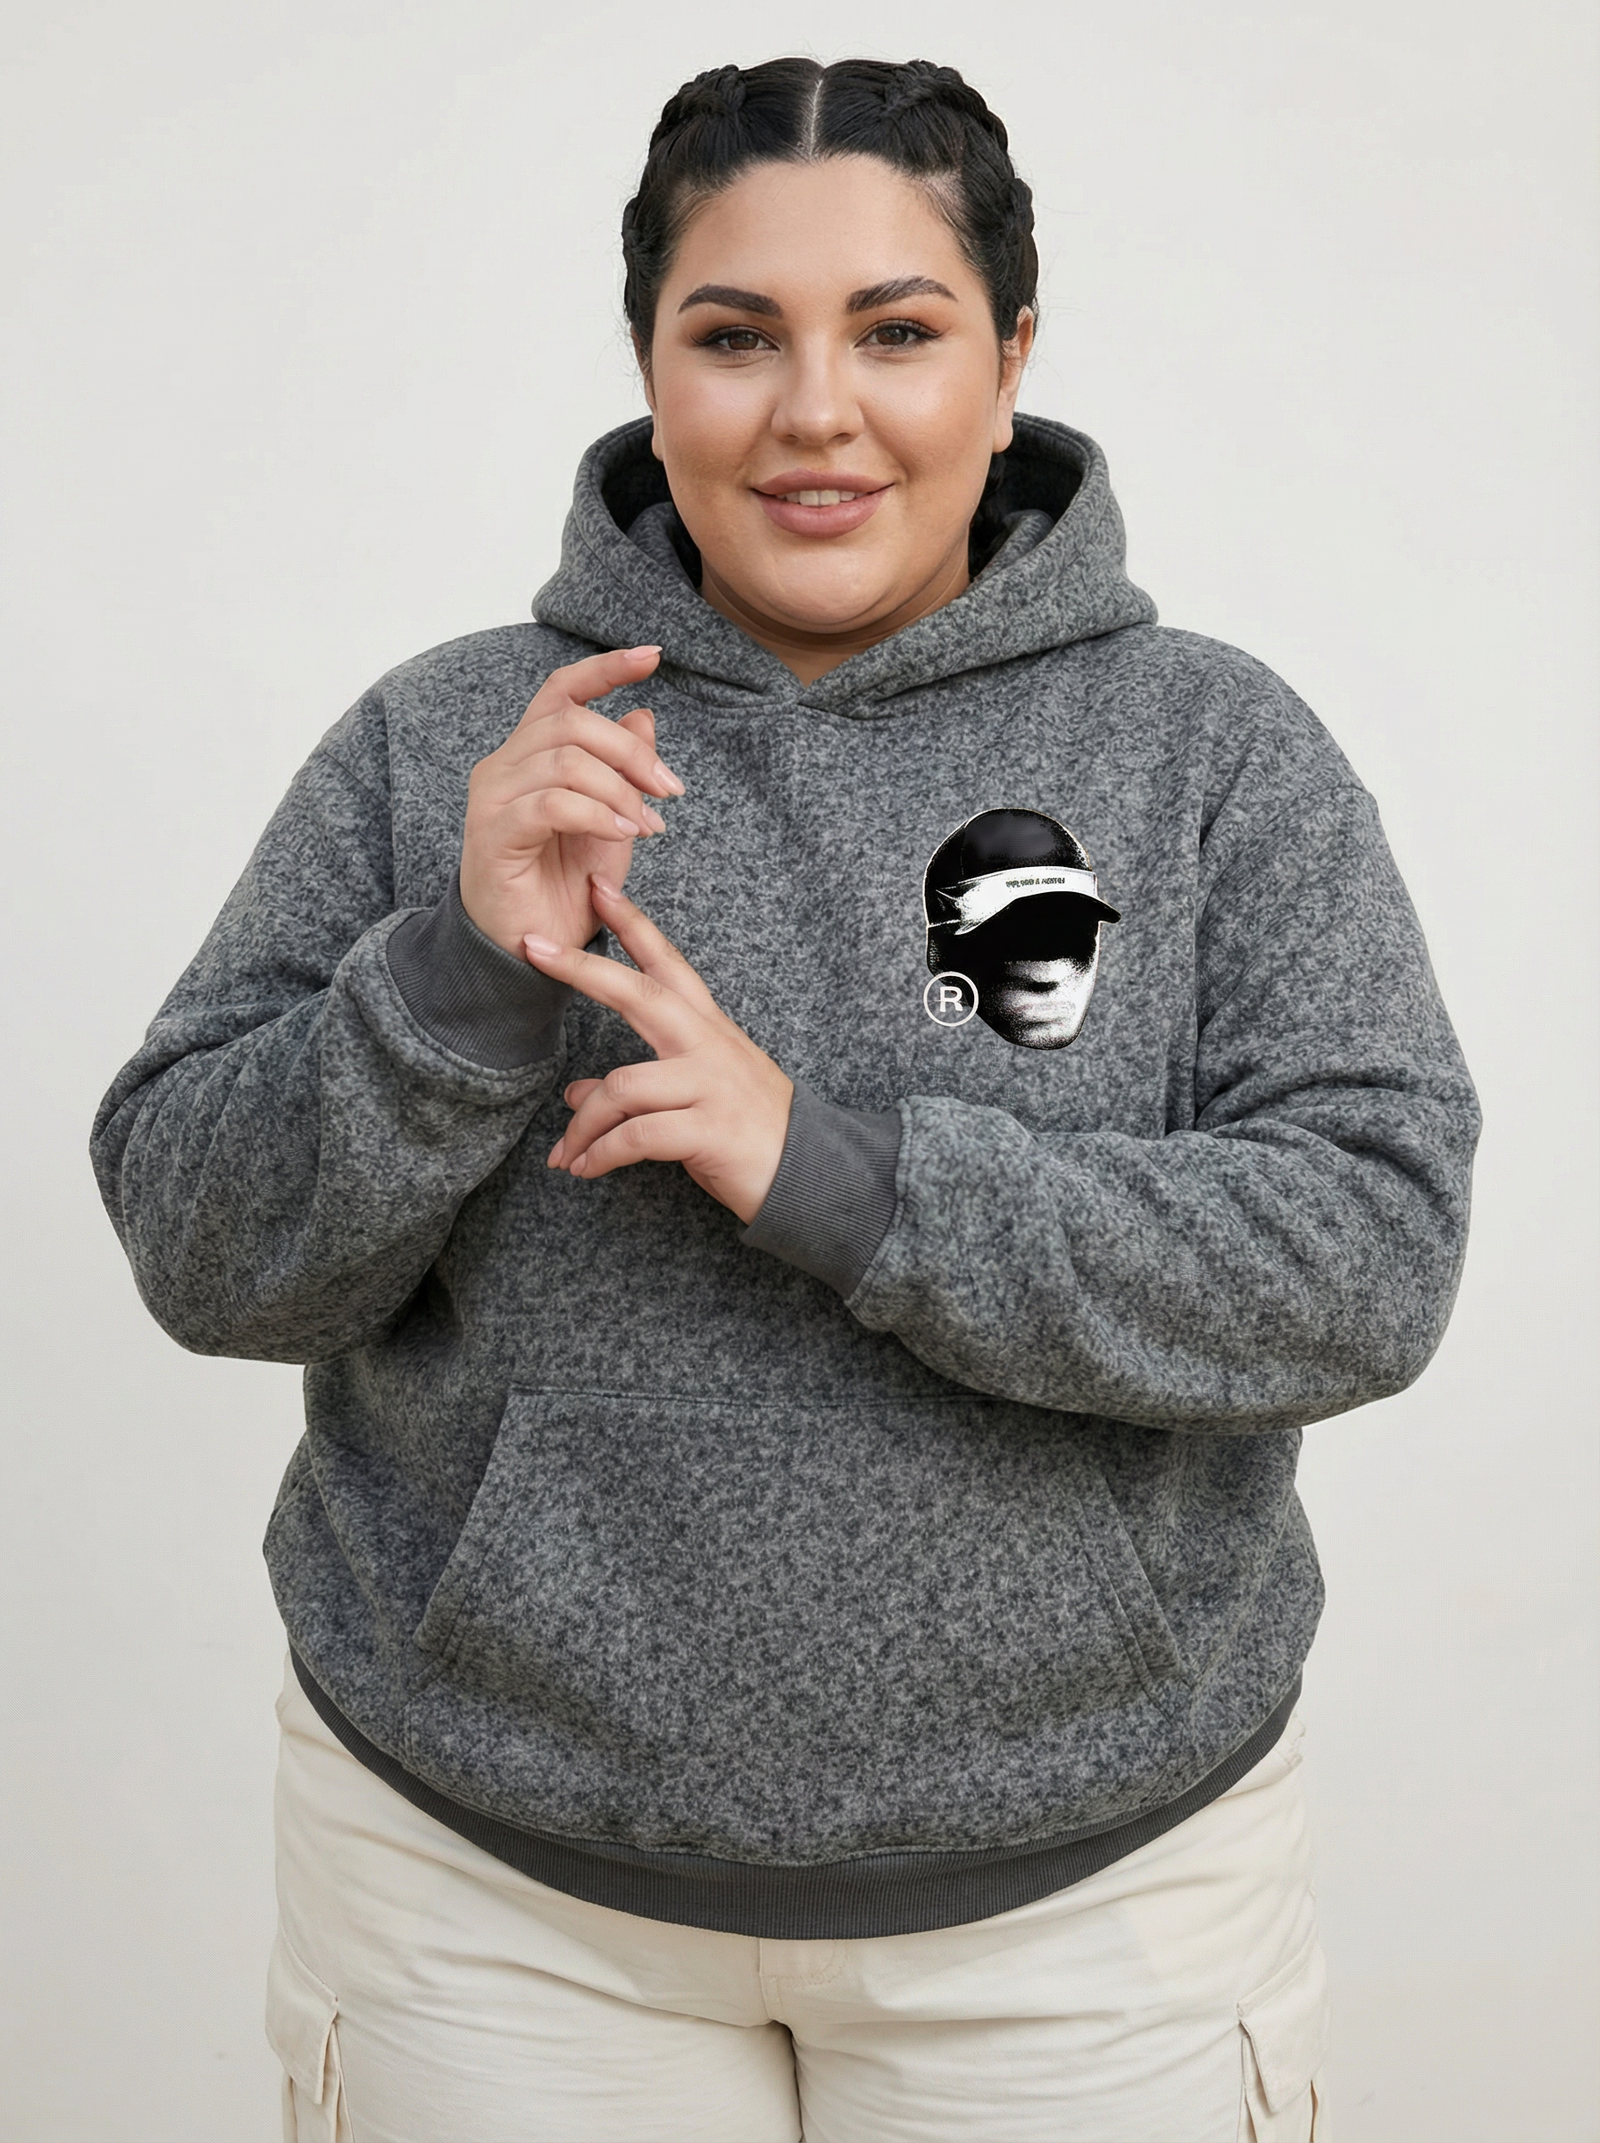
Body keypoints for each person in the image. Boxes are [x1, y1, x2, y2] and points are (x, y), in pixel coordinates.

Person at [90, 54, 1479, 2143]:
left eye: (896, 331)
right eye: (734, 336)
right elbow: (202, 1253)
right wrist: (459, 975)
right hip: (485, 1891)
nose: (815, 411)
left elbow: (1367, 1258)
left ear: (1010, 359)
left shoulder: (1214, 751)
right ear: (650, 366)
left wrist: (831, 1174)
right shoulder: (449, 744)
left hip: (1090, 1901)